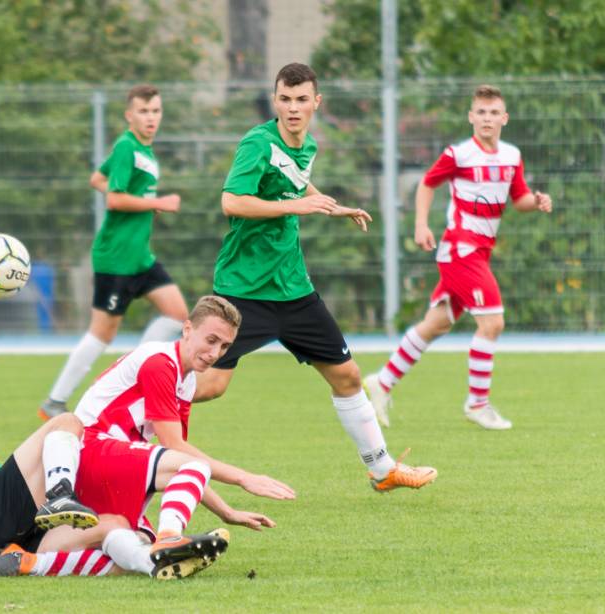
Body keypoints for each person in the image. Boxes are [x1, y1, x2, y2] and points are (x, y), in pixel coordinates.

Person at [193, 63, 437, 493]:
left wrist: (325, 203)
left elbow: (294, 182)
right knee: (211, 386)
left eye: (302, 99)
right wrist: (295, 208)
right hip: (243, 290)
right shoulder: (258, 143)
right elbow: (232, 202)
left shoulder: (307, 146)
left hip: (294, 290)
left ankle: (383, 471)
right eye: (285, 100)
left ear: (316, 103)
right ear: (275, 101)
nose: (293, 108)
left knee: (346, 376)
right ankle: (129, 417)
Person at [0, 389, 225, 580]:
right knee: (65, 421)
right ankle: (60, 494)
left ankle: (152, 563)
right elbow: (8, 487)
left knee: (115, 528)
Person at [365, 85, 553, 431]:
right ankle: (477, 404)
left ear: (504, 118)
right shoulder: (459, 154)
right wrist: (421, 224)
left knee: (437, 323)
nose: (487, 118)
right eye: (481, 112)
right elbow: (426, 184)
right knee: (492, 323)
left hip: (479, 251)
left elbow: (520, 198)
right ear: (471, 117)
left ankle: (383, 381)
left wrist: (536, 201)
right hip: (461, 250)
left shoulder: (512, 156)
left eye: (494, 112)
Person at [73, 295, 296, 562]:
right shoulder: (160, 363)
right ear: (188, 329)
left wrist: (227, 512)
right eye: (211, 340)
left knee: (135, 545)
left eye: (225, 346)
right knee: (191, 471)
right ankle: (170, 539)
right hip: (91, 449)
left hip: (111, 461)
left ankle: (35, 562)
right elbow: (177, 449)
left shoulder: (186, 381)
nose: (215, 353)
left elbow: (181, 463)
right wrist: (243, 478)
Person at [39, 84, 188, 419]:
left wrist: (146, 201)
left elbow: (97, 179)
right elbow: (114, 198)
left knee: (178, 314)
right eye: (144, 112)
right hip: (116, 259)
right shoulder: (127, 148)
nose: (151, 118)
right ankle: (55, 401)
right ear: (129, 115)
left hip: (140, 258)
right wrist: (156, 202)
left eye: (156, 111)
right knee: (102, 332)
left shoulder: (144, 149)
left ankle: (135, 375)